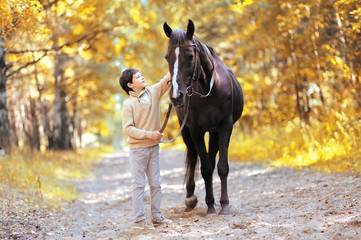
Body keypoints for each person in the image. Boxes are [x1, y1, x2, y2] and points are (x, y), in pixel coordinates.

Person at [119, 68, 173, 230]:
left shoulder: (153, 92)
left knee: (156, 184)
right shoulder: (128, 105)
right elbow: (128, 129)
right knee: (138, 185)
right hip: (138, 151)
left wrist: (176, 60)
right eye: (138, 77)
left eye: (142, 75)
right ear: (130, 84)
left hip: (153, 148)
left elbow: (167, 79)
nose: (142, 78)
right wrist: (150, 134)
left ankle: (156, 216)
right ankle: (140, 221)